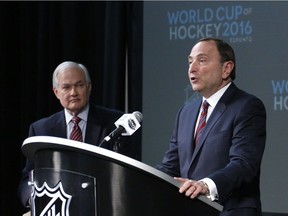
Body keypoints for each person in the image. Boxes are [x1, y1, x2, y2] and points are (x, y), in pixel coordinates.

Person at [156, 38, 266, 216]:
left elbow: (244, 163)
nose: (192, 68)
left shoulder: (247, 106)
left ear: (226, 69)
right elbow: (170, 166)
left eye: (202, 60)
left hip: (229, 211)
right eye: (190, 62)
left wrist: (205, 185)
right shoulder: (186, 112)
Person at [18, 61, 138, 209]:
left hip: (102, 206)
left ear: (89, 87)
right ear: (56, 92)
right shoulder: (41, 129)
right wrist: (34, 199)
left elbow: (127, 175)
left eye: (79, 85)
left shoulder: (116, 124)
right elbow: (28, 177)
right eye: (66, 87)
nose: (73, 92)